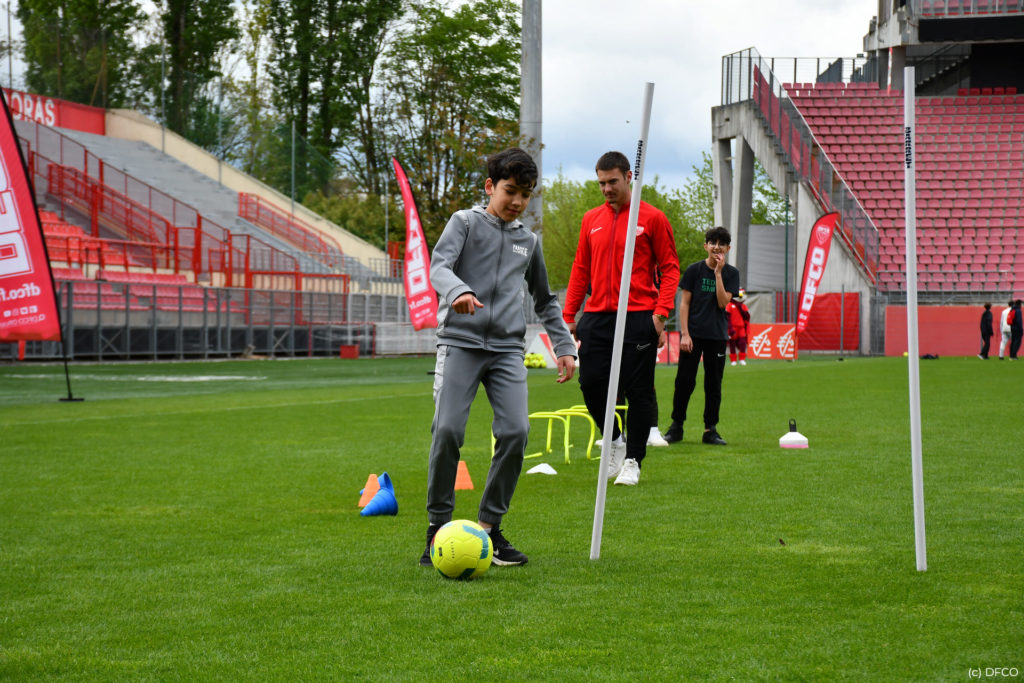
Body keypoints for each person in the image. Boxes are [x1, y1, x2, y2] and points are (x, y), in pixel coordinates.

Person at [421, 147, 577, 568]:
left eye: (526, 194)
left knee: (516, 432)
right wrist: (458, 290)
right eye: (510, 191)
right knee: (447, 430)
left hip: (508, 350)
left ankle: (489, 528)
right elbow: (439, 267)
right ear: (490, 186)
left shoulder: (529, 241)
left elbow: (544, 300)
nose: (518, 201)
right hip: (459, 343)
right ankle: (438, 528)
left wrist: (564, 346)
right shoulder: (464, 223)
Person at [563, 151, 679, 486]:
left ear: (629, 177)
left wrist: (660, 314)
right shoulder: (591, 219)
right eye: (601, 183)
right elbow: (580, 269)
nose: (606, 189)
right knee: (590, 383)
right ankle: (614, 439)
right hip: (597, 316)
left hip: (639, 316)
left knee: (638, 390)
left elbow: (670, 268)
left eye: (612, 181)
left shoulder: (652, 218)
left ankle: (633, 460)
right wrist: (569, 314)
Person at [663, 226, 741, 446]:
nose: (717, 247)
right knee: (684, 381)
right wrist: (685, 334)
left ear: (728, 248)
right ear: (705, 245)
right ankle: (676, 426)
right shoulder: (694, 271)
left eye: (721, 244)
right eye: (712, 242)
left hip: (717, 336)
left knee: (713, 384)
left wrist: (718, 274)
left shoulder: (731, 273)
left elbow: (723, 303)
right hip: (693, 336)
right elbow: (684, 304)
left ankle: (710, 430)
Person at [726, 288, 751, 366]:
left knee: (742, 343)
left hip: (741, 327)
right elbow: (727, 317)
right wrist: (730, 328)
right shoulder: (729, 305)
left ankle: (742, 359)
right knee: (732, 344)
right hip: (733, 327)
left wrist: (741, 309)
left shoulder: (743, 306)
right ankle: (733, 360)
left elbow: (747, 317)